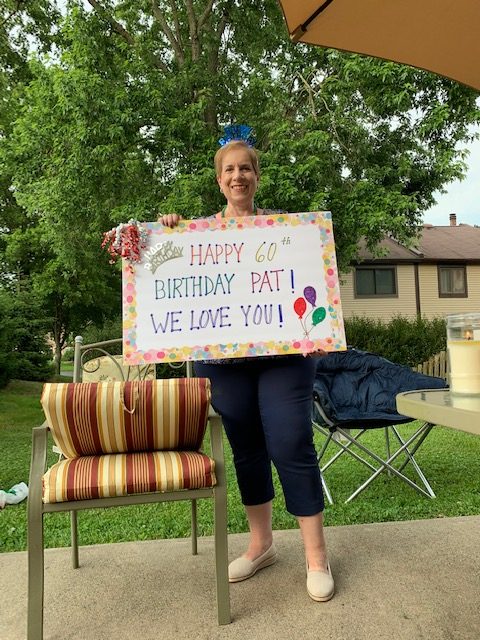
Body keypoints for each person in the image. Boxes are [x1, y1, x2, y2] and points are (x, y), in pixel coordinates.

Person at [160, 135, 334, 602]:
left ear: (257, 176)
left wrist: (325, 327)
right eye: (229, 170)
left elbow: (311, 280)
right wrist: (169, 230)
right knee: (246, 448)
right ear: (219, 181)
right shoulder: (198, 237)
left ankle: (317, 556)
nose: (238, 176)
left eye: (246, 169)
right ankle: (262, 546)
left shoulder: (286, 233)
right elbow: (164, 267)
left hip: (283, 359)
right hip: (225, 363)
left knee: (290, 440)